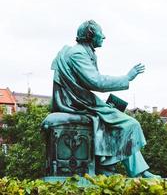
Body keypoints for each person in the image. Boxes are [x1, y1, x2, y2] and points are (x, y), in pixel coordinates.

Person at [50, 20, 160, 178]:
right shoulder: (78, 53)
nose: (104, 37)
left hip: (80, 101)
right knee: (130, 124)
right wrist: (126, 78)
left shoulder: (85, 52)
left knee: (118, 123)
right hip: (75, 104)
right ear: (90, 35)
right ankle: (136, 172)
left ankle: (109, 169)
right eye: (101, 33)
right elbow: (96, 82)